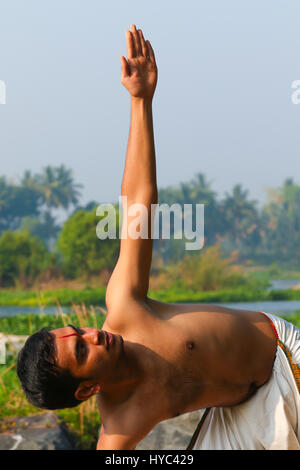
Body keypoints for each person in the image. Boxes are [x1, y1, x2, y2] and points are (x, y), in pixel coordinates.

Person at [17, 25, 300, 450]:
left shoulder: (126, 307)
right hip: (239, 416)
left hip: (282, 356)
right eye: (82, 351)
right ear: (86, 390)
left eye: (79, 330)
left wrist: (140, 101)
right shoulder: (121, 425)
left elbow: (138, 206)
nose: (94, 334)